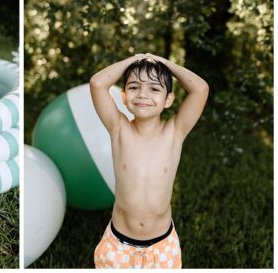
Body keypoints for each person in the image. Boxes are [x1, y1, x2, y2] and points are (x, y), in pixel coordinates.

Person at [89, 53, 208, 268]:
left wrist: (163, 63)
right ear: (123, 96)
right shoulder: (119, 129)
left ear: (168, 100)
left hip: (162, 246)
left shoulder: (174, 132)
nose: (143, 94)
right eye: (134, 87)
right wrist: (133, 59)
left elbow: (200, 89)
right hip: (118, 244)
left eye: (154, 88)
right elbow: (97, 83)